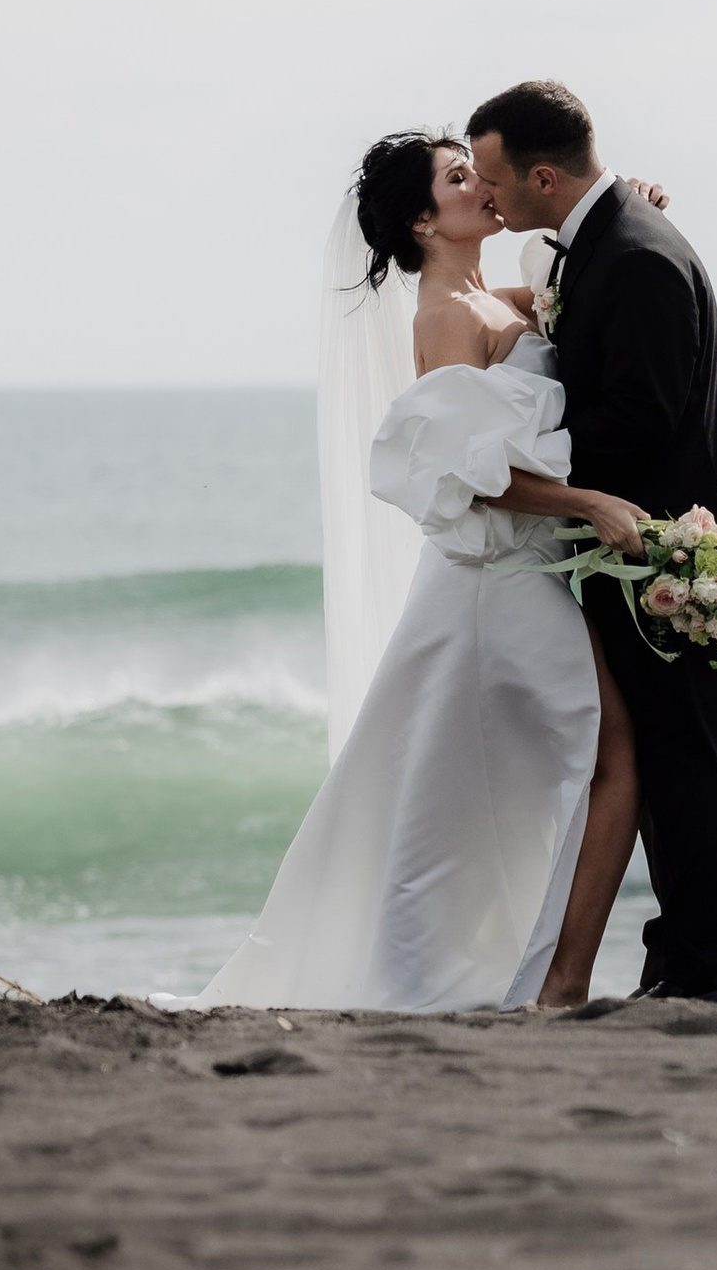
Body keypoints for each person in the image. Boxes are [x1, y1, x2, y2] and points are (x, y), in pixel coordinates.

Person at [200, 132, 650, 1014]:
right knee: (606, 756)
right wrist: (589, 504)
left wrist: (632, 217)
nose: (482, 185)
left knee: (476, 790)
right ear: (420, 218)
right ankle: (550, 987)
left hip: (526, 574)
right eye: (458, 178)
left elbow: (573, 295)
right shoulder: (446, 313)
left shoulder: (491, 293)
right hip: (498, 583)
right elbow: (462, 476)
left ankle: (524, 975)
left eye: (479, 171)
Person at [467, 78, 717, 1008]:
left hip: (671, 550)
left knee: (692, 764)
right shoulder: (597, 240)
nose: (489, 197)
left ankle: (706, 975)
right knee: (671, 759)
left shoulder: (634, 255)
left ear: (546, 176)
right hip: (635, 546)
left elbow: (639, 420)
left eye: (495, 180)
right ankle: (679, 963)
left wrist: (515, 468)